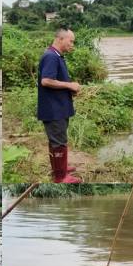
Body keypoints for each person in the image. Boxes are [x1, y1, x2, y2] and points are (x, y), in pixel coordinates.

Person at [37, 28, 82, 183]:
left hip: (58, 107)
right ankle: (61, 176)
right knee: (58, 143)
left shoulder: (56, 55)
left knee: (56, 141)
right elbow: (46, 81)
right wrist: (70, 86)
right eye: (71, 41)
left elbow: (54, 81)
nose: (72, 44)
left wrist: (70, 88)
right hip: (53, 109)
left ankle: (59, 168)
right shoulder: (51, 57)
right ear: (60, 39)